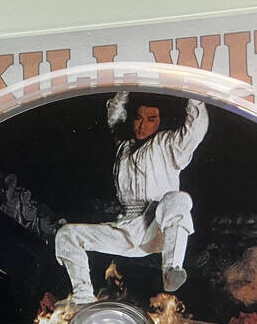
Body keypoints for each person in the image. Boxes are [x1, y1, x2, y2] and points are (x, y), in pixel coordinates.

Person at [54, 92, 209, 303]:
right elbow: (114, 116)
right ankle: (82, 297)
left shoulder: (169, 144)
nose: (142, 125)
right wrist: (124, 88)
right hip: (126, 229)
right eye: (138, 118)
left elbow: (195, 129)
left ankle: (172, 269)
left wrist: (193, 95)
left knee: (178, 199)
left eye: (151, 119)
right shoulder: (124, 147)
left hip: (158, 228)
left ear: (161, 121)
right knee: (66, 234)